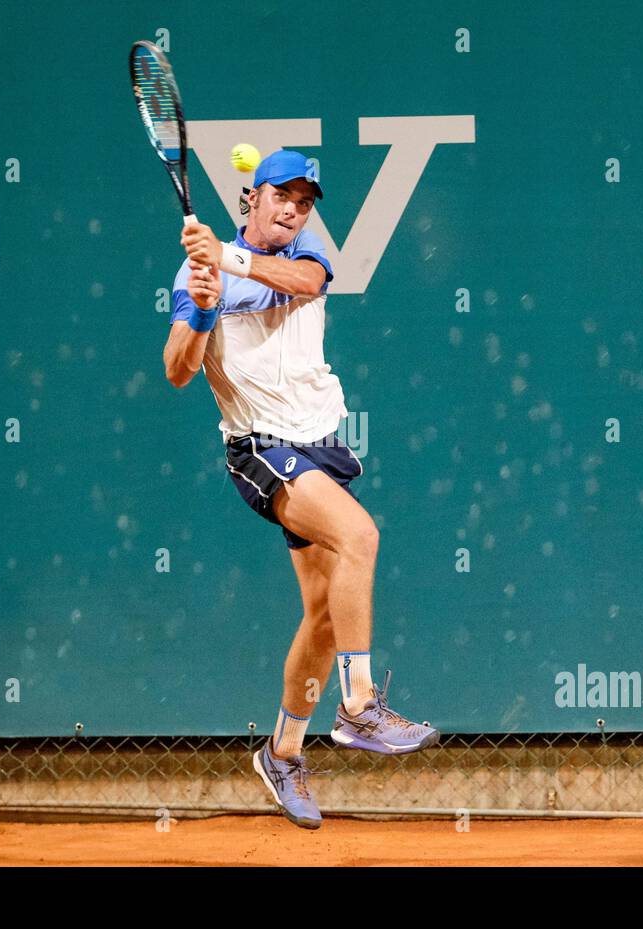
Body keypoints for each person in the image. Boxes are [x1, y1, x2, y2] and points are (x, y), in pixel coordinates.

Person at [164, 149, 438, 830]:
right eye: (278, 195)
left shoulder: (304, 251)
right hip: (260, 448)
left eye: (304, 199)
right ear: (248, 199)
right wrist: (202, 309)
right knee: (360, 535)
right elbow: (176, 371)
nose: (291, 209)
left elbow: (306, 283)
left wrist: (227, 267)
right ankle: (358, 705)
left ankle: (282, 752)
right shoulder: (197, 274)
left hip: (319, 444)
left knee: (322, 616)